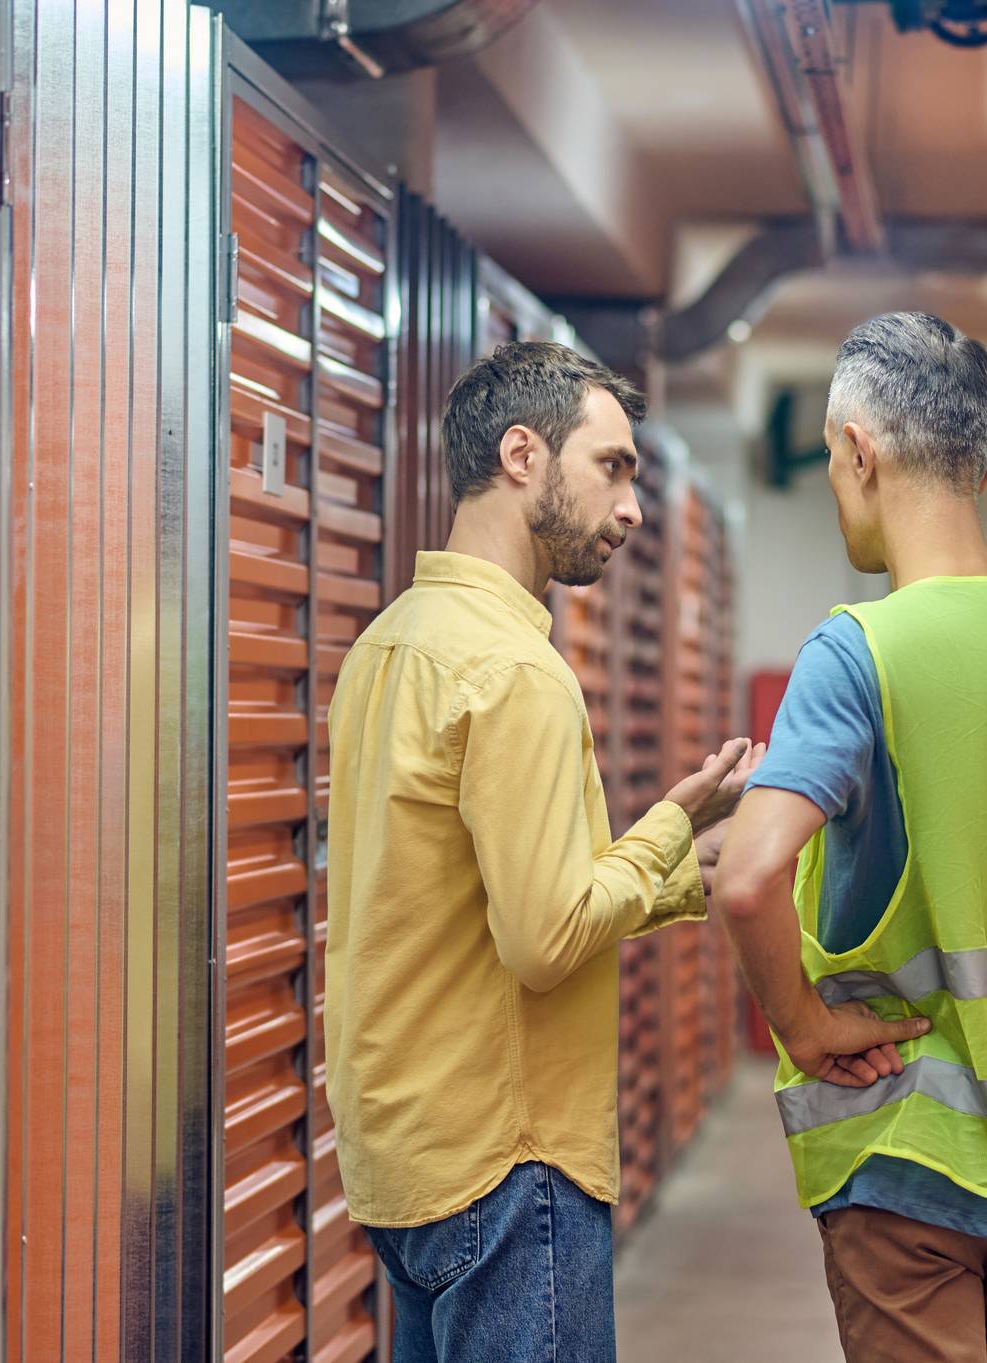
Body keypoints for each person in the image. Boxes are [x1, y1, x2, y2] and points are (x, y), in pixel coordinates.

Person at [322, 341, 828, 1363]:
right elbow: (547, 937)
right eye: (611, 466)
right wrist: (663, 836)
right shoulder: (516, 671)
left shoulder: (390, 642)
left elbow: (486, 896)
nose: (631, 506)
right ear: (521, 455)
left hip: (402, 1158)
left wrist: (680, 849)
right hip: (510, 1164)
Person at [714, 312, 987, 1363]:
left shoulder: (858, 648)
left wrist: (802, 1024)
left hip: (906, 1149)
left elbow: (747, 875)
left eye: (830, 461)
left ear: (856, 453)